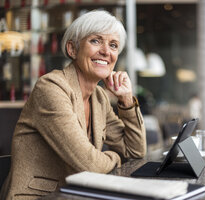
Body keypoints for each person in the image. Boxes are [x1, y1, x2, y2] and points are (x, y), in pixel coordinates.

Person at [0, 10, 146, 200]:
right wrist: (116, 158)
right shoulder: (51, 88)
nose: (106, 51)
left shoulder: (99, 97)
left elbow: (135, 152)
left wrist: (126, 100)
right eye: (95, 41)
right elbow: (90, 165)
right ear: (72, 49)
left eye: (113, 45)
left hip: (75, 195)